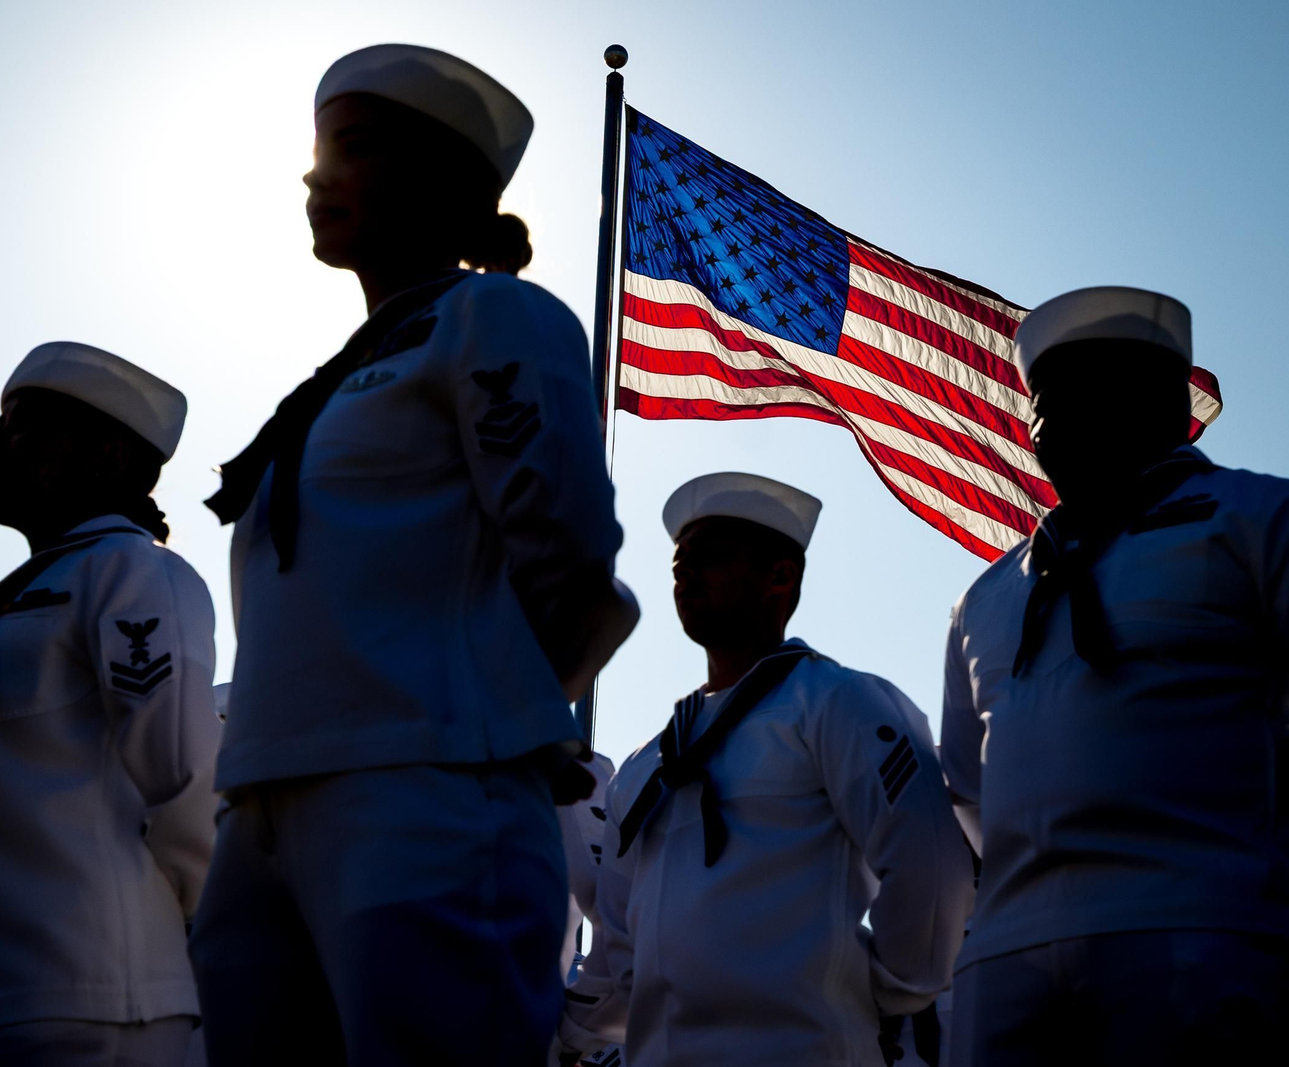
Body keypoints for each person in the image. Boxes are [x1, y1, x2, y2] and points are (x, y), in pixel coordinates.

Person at [191, 43, 632, 1067]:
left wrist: (477, 720)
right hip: (262, 806)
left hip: (424, 789)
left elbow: (564, 545)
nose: (317, 173)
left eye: (356, 147)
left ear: (441, 178)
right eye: (319, 149)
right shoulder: (330, 384)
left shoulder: (492, 315)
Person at [941, 287, 1289, 1066]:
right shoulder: (988, 597)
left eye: (1085, 391)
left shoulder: (1257, 521)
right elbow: (969, 789)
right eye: (1042, 401)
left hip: (1206, 932)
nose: (1049, 423)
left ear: (1164, 404)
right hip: (1010, 961)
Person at [559, 473, 973, 1067]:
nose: (685, 572)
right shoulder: (646, 763)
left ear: (779, 577)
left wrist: (885, 990)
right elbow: (620, 932)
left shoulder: (837, 702)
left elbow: (927, 859)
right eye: (679, 562)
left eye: (711, 557)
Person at [0, 341, 219, 1065]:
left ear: (110, 458)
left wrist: (204, 939)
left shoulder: (131, 571)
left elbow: (180, 782)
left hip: (90, 1001)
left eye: (26, 426)